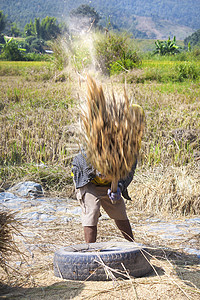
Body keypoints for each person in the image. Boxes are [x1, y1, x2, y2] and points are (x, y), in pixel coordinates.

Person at [71, 150, 137, 243]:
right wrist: (101, 173)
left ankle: (132, 244)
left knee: (119, 210)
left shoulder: (128, 157)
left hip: (113, 178)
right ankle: (90, 249)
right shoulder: (85, 159)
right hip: (87, 181)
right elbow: (83, 170)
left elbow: (129, 174)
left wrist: (119, 186)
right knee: (92, 210)